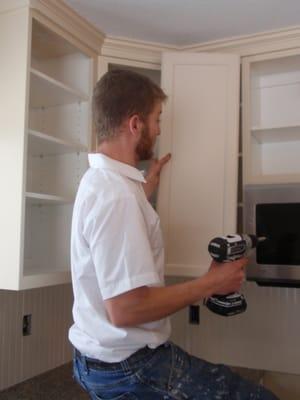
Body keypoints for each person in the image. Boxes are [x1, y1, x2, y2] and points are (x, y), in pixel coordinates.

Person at [69, 69, 279, 400]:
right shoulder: (116, 197)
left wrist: (145, 189)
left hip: (100, 363)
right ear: (135, 124)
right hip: (131, 368)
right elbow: (126, 309)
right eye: (157, 120)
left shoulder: (103, 183)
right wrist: (211, 283)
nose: (159, 129)